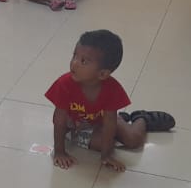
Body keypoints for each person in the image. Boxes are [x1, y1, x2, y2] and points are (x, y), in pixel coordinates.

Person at [46, 30, 175, 172]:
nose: (74, 63)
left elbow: (109, 122)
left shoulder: (112, 89)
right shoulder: (64, 84)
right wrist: (59, 151)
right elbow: (59, 120)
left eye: (83, 61)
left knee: (134, 140)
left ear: (102, 74)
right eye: (74, 56)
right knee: (103, 143)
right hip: (76, 127)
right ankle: (122, 120)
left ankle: (142, 118)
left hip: (102, 120)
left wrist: (106, 156)